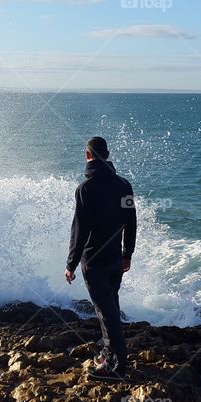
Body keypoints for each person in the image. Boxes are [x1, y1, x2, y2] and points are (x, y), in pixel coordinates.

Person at [66, 136, 136, 381]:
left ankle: (116, 367)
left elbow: (79, 230)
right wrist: (128, 254)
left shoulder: (85, 189)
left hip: (94, 262)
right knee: (111, 307)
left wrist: (71, 264)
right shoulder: (124, 185)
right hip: (116, 259)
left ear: (87, 155)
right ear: (107, 155)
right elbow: (131, 222)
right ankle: (109, 354)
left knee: (106, 314)